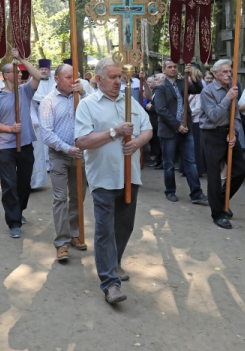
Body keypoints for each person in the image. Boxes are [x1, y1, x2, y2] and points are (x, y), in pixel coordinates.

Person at [75, 58, 152, 304]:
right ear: (98, 79)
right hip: (104, 178)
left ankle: (114, 262)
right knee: (105, 230)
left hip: (131, 177)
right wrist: (114, 133)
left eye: (120, 76)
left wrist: (137, 142)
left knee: (124, 226)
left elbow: (147, 129)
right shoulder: (87, 106)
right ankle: (110, 284)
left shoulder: (131, 102)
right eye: (113, 77)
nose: (119, 81)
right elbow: (83, 141)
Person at [0, 49, 41, 237]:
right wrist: (10, 129)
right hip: (6, 147)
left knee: (25, 183)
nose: (20, 74)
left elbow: (38, 75)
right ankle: (14, 222)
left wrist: (20, 59)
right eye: (16, 72)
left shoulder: (25, 91)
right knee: (9, 184)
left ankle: (19, 209)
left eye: (20, 72)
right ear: (6, 75)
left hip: (25, 144)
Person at [40, 63, 89, 261]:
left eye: (74, 77)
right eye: (68, 78)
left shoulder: (82, 98)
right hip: (59, 154)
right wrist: (67, 148)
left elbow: (95, 111)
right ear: (57, 79)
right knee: (60, 198)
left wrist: (84, 93)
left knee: (78, 197)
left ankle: (75, 234)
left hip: (81, 155)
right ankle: (62, 242)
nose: (73, 81)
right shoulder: (48, 101)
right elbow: (46, 133)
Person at [199, 59, 245, 229]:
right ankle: (217, 213)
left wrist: (233, 132)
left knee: (240, 170)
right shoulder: (207, 92)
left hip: (229, 135)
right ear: (215, 73)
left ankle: (220, 200)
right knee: (214, 176)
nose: (229, 75)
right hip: (212, 134)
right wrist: (227, 99)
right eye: (225, 72)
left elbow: (236, 114)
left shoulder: (232, 88)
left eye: (230, 72)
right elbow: (213, 116)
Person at [154, 60, 207, 204]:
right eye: (169, 67)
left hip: (186, 129)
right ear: (164, 70)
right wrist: (177, 125)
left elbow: (198, 89)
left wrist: (192, 76)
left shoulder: (182, 83)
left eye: (175, 67)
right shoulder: (160, 88)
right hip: (170, 131)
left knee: (190, 161)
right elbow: (161, 110)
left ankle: (196, 193)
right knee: (169, 163)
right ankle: (170, 191)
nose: (173, 69)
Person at [31, 59, 56, 186]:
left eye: (45, 69)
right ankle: (44, 165)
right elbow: (34, 96)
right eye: (41, 70)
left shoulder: (54, 81)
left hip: (52, 113)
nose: (43, 71)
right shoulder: (35, 81)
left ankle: (51, 163)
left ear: (49, 69)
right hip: (39, 112)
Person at [188, 68, 206, 177]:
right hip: (191, 121)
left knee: (196, 147)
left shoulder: (199, 92)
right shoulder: (191, 90)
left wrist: (188, 114)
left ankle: (198, 170)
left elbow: (198, 108)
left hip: (196, 121)